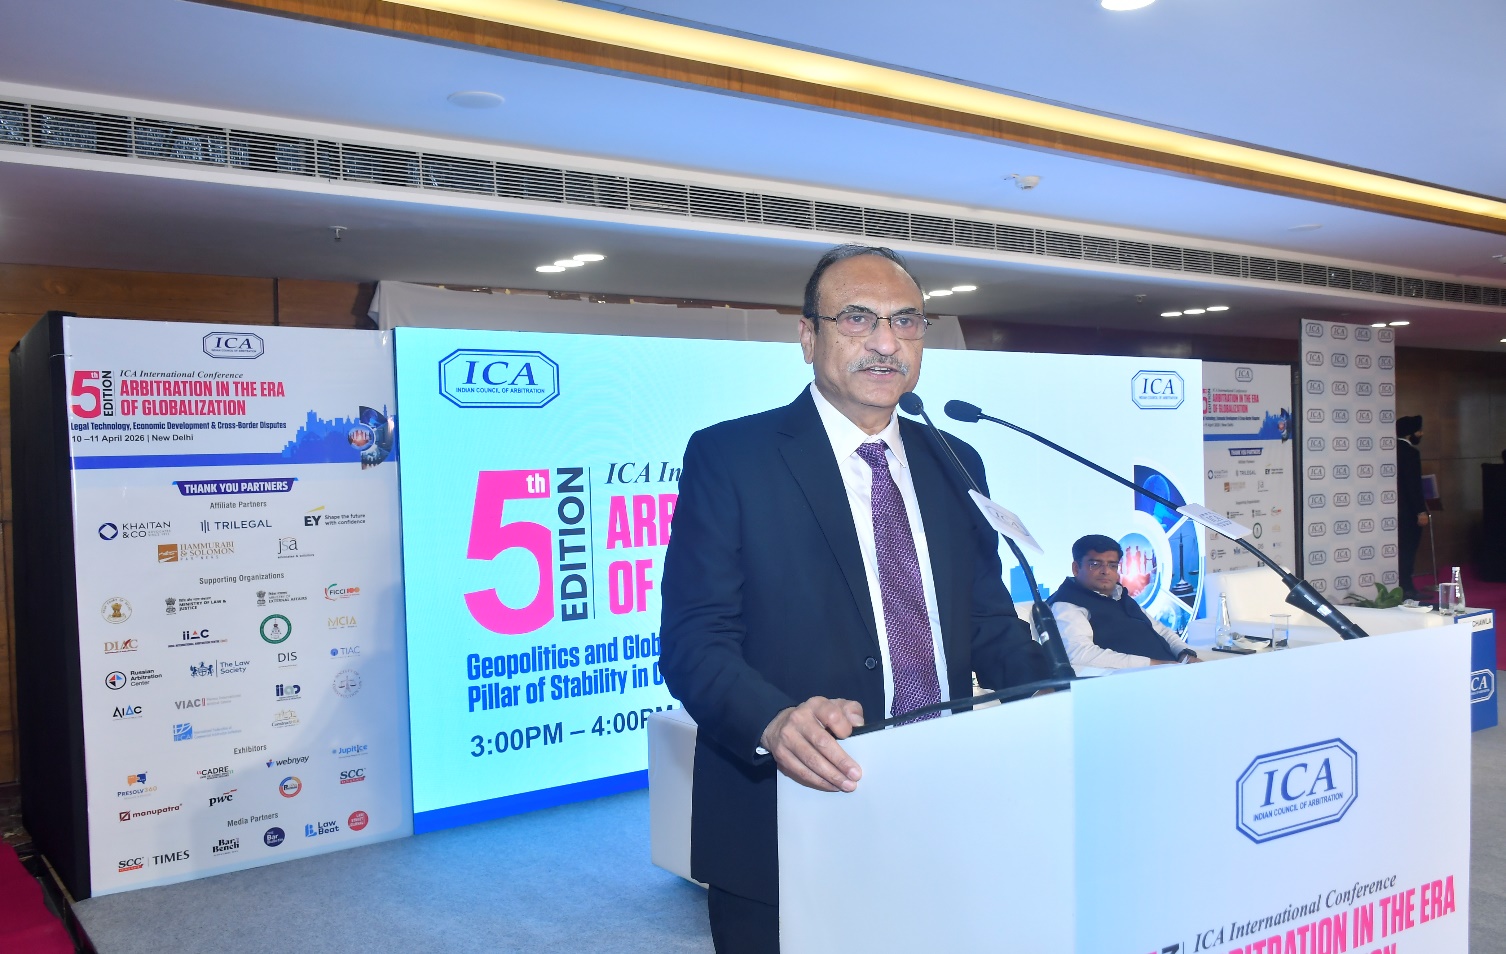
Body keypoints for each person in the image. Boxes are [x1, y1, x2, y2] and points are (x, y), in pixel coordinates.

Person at [659, 244, 1049, 954]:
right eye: (858, 318)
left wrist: (1063, 701)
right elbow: (694, 641)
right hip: (789, 810)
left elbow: (987, 619)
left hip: (943, 805)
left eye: (906, 321)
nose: (885, 342)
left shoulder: (955, 459)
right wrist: (772, 719)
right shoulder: (731, 458)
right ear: (808, 337)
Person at [1048, 534, 1199, 668]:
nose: (1105, 571)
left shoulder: (1119, 595)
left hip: (1172, 671)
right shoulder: (1067, 603)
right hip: (1132, 681)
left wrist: (1185, 654)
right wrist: (1152, 665)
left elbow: (1161, 631)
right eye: (1095, 564)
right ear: (1076, 568)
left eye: (1112, 565)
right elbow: (1080, 654)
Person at [1395, 415, 1427, 600]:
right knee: (1408, 549)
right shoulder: (1410, 453)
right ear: (1410, 433)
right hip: (1408, 512)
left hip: (1392, 511)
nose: (1421, 434)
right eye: (1419, 430)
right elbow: (1413, 485)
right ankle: (1407, 587)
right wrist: (1420, 511)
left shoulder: (1389, 450)